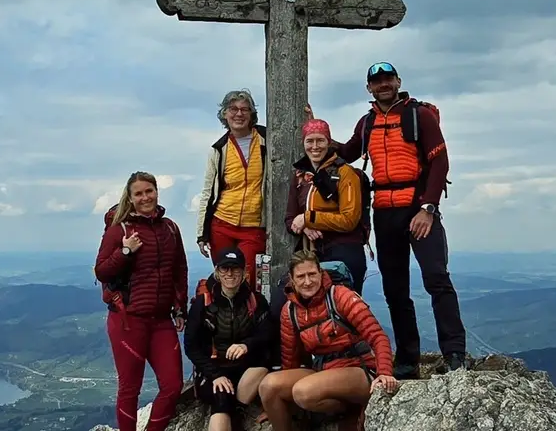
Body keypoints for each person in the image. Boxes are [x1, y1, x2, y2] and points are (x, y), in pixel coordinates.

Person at [304, 61, 469, 378]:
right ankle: (407, 359)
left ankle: (454, 354)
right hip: (384, 210)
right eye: (377, 81)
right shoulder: (367, 123)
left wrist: (428, 208)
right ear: (369, 88)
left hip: (418, 207)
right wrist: (317, 130)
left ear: (398, 82)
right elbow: (347, 153)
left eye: (388, 79)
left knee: (436, 279)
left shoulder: (419, 115)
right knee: (395, 289)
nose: (383, 85)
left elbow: (440, 162)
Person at [92, 171, 189, 431]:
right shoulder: (119, 230)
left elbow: (179, 269)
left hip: (161, 320)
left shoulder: (170, 228)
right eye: (139, 193)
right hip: (127, 320)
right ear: (130, 197)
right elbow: (101, 271)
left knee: (173, 385)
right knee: (130, 388)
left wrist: (180, 308)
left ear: (157, 192)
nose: (145, 197)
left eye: (149, 191)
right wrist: (125, 251)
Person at [260, 249, 397, 431]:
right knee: (268, 387)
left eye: (312, 274)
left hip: (358, 368)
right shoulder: (290, 311)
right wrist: (276, 406)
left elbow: (377, 336)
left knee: (303, 392)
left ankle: (350, 410)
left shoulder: (341, 296)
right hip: (323, 371)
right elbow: (290, 359)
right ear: (291, 280)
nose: (307, 281)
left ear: (321, 273)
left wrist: (384, 372)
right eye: (300, 276)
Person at [184, 246, 278, 431]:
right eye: (224, 268)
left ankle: (235, 413)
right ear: (217, 272)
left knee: (258, 372)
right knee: (222, 397)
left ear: (244, 272)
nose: (230, 273)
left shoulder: (256, 301)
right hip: (213, 369)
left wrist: (246, 345)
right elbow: (191, 346)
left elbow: (268, 333)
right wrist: (215, 375)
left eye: (235, 268)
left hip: (246, 368)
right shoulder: (203, 304)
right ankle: (236, 414)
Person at [193, 89, 271, 287]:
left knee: (247, 280)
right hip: (222, 224)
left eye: (245, 109)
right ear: (225, 114)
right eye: (233, 109)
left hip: (254, 226)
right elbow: (208, 192)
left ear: (252, 114)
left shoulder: (267, 139)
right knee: (226, 280)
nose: (239, 114)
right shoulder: (219, 149)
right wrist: (202, 233)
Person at [286, 118, 370, 294]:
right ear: (303, 143)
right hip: (313, 253)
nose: (315, 146)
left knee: (345, 306)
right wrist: (305, 226)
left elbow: (349, 220)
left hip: (345, 250)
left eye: (320, 140)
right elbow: (290, 218)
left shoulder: (345, 173)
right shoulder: (301, 176)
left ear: (329, 142)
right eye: (309, 141)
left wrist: (308, 219)